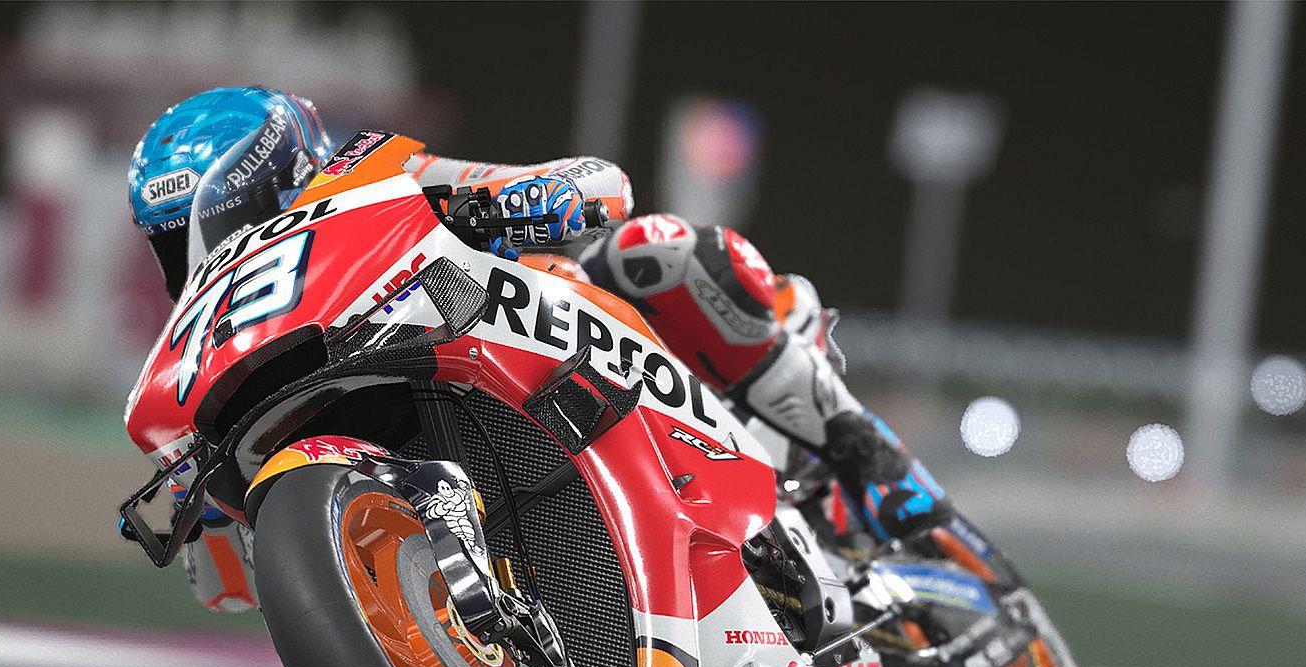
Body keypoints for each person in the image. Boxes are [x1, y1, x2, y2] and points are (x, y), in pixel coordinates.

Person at [127, 87, 953, 612]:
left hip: (554, 342)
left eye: (213, 219)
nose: (199, 257)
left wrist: (512, 202)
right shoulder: (202, 356)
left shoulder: (368, 177)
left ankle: (870, 457)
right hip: (394, 416)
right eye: (171, 244)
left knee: (659, 254)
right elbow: (228, 593)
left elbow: (597, 181)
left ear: (280, 174)